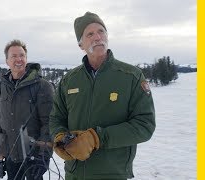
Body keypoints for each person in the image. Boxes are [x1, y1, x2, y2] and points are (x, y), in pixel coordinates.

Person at [49, 12, 156, 180]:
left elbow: (145, 125)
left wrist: (96, 138)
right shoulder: (69, 80)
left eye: (101, 31)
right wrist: (60, 136)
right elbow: (56, 118)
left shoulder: (131, 77)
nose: (97, 37)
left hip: (113, 173)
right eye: (90, 34)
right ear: (80, 44)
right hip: (74, 173)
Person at [0, 39, 54, 180]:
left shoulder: (42, 86)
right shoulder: (3, 86)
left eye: (22, 55)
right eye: (14, 56)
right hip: (10, 155)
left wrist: (43, 156)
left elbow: (49, 124)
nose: (18, 59)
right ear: (7, 61)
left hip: (33, 157)